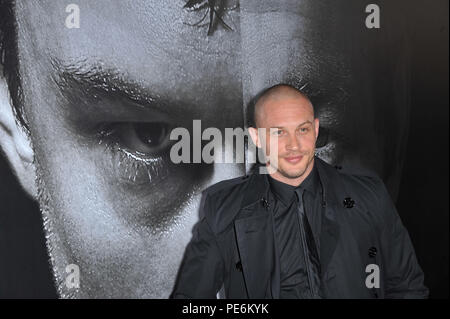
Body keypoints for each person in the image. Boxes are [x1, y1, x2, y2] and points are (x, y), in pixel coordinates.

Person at [171, 84, 429, 298]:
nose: (294, 145)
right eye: (279, 132)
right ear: (257, 138)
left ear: (316, 130)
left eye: (302, 130)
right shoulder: (223, 208)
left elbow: (408, 287)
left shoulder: (368, 195)